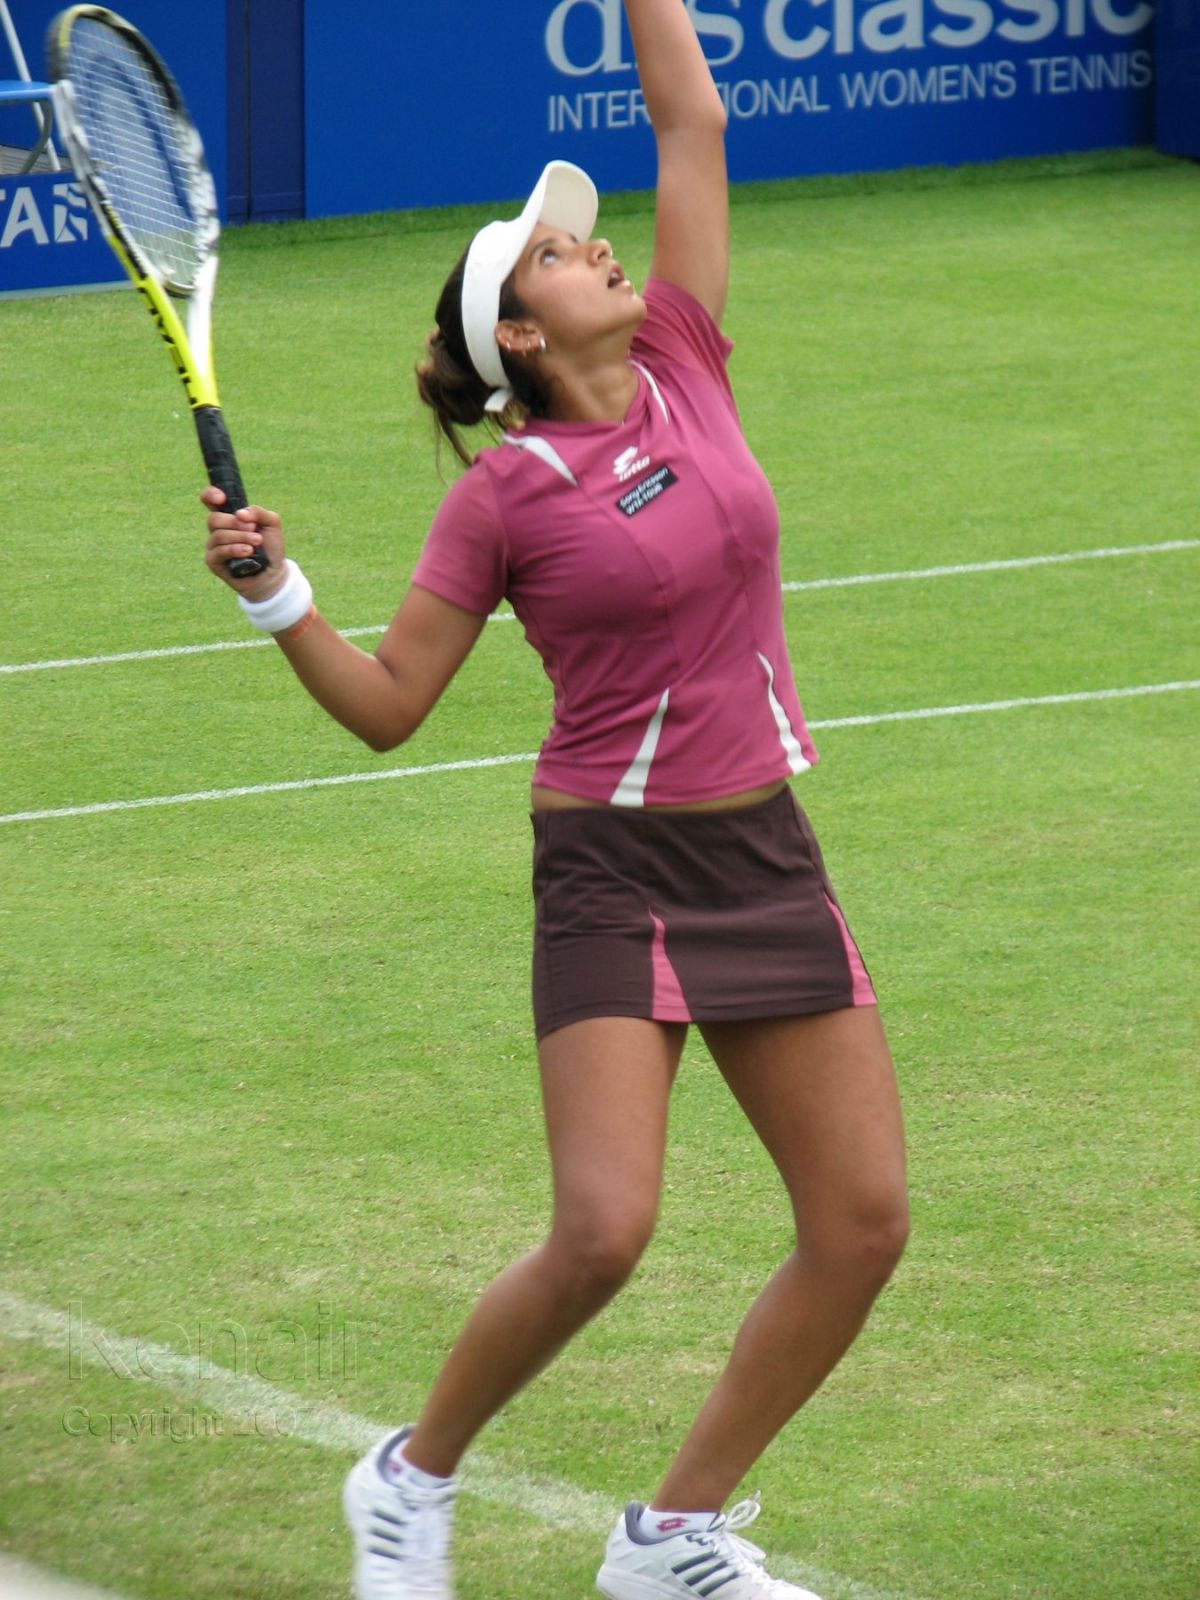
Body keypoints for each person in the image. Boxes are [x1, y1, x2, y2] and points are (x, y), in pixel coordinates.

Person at [202, 4, 909, 1596]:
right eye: (554, 255)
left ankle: (673, 1538)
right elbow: (392, 705)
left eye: (583, 241)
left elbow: (691, 126)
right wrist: (277, 598)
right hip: (614, 868)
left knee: (863, 1224)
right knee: (603, 1232)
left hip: (766, 852)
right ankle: (407, 1478)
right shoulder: (503, 499)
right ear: (518, 336)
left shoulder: (683, 361)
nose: (595, 250)